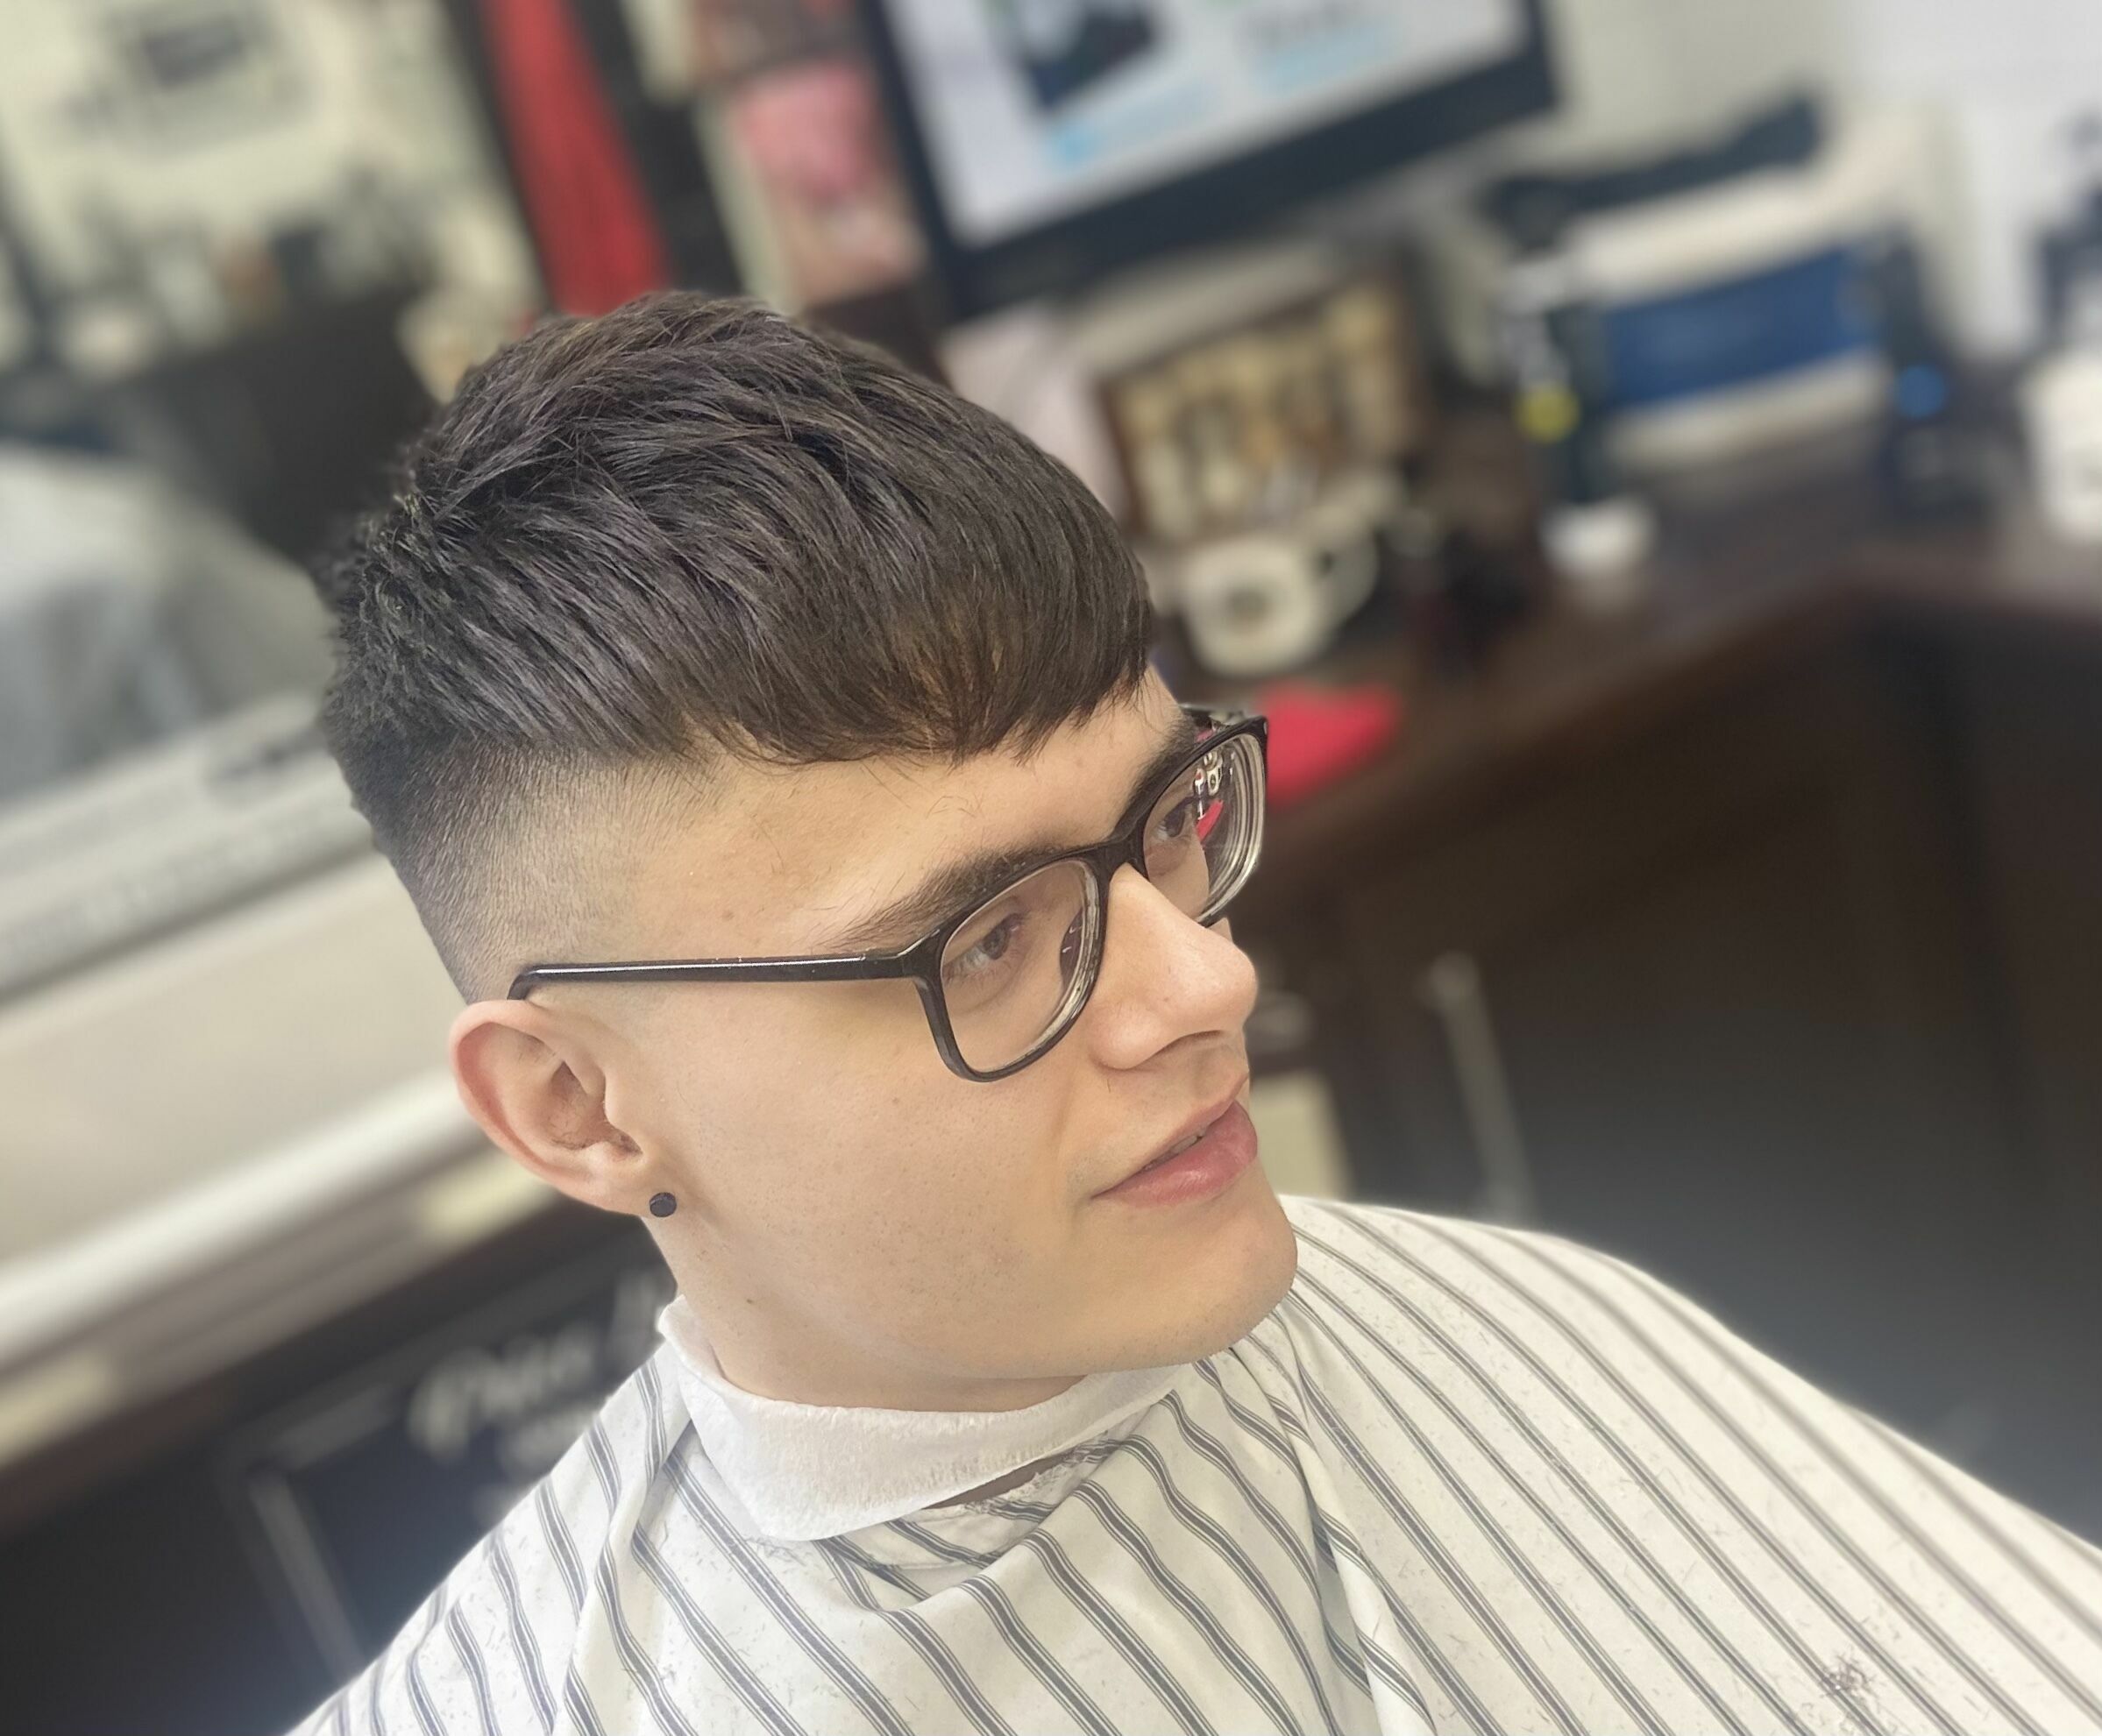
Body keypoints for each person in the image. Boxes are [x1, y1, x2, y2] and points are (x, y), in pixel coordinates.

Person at [286, 293, 2100, 1735]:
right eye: (983, 941)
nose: (1207, 980)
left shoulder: (1505, 1316)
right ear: (575, 1108)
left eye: (1167, 821)